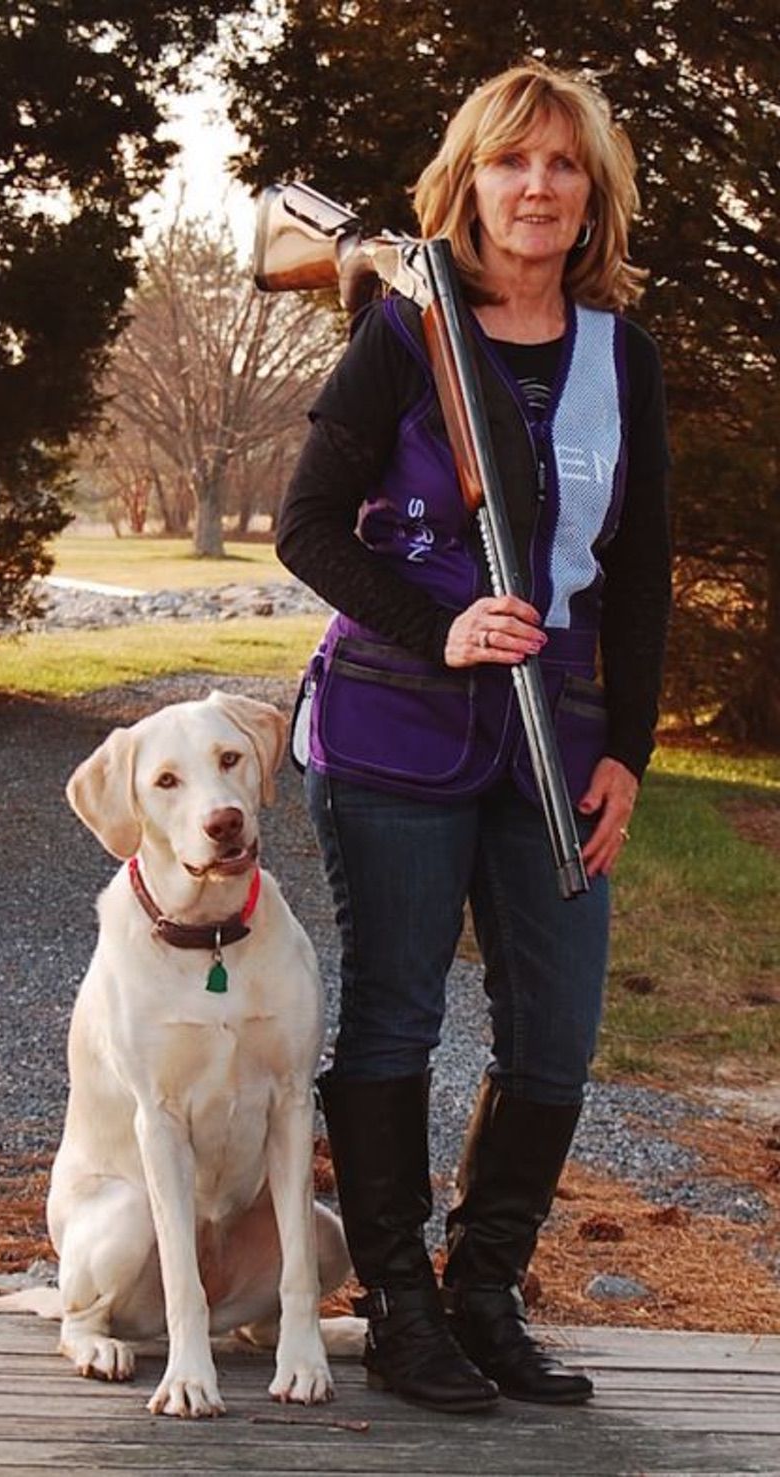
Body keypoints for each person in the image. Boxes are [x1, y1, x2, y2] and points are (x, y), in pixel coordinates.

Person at [276, 60, 671, 1415]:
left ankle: (485, 1291)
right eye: (513, 161)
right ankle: (396, 1303)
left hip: (557, 738)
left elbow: (644, 565)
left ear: (591, 188)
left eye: (564, 163)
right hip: (393, 717)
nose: (538, 186)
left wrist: (633, 744)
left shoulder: (623, 353)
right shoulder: (404, 326)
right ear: (472, 178)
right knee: (394, 1006)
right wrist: (434, 625)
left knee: (553, 1032)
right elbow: (308, 527)